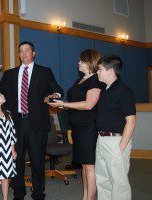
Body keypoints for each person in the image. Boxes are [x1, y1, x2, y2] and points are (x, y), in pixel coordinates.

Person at [0, 41, 63, 200]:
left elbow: (57, 89)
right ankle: (19, 193)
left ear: (33, 53)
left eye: (27, 50)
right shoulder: (10, 74)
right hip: (15, 124)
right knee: (16, 161)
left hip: (37, 124)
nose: (23, 53)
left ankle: (38, 194)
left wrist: (56, 95)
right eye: (21, 51)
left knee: (37, 161)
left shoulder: (45, 72)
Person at [49, 49, 103, 200]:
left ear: (89, 62)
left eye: (81, 60)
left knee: (90, 166)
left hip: (89, 128)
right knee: (84, 166)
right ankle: (86, 196)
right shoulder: (80, 80)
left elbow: (89, 105)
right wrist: (63, 106)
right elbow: (75, 102)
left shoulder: (95, 80)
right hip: (78, 128)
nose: (78, 63)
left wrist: (65, 103)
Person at [95, 55, 136, 200]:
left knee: (119, 184)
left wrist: (121, 148)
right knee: (103, 180)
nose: (97, 72)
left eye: (99, 69)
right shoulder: (105, 90)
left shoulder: (123, 90)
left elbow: (131, 121)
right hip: (102, 140)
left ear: (110, 71)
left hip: (116, 142)